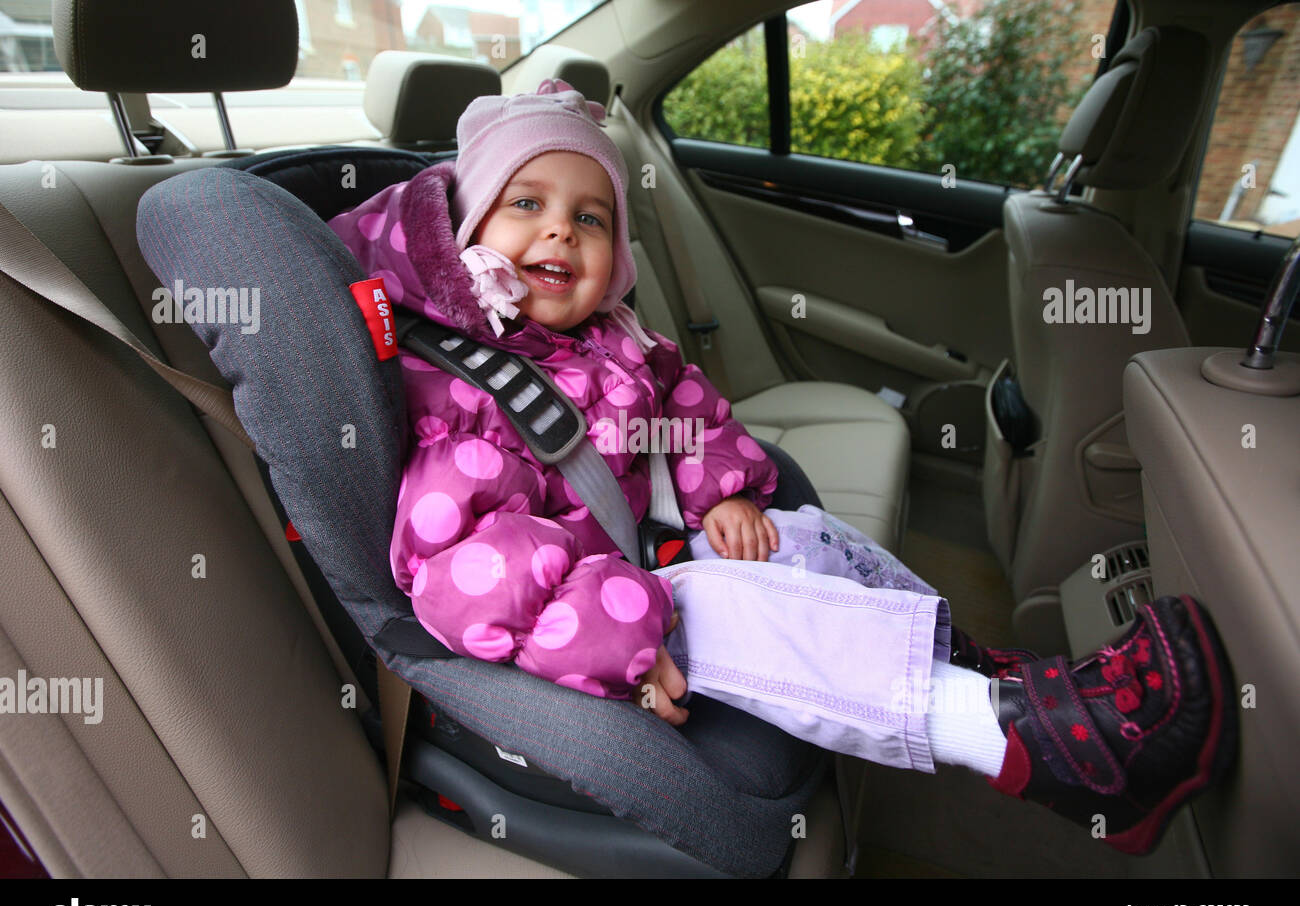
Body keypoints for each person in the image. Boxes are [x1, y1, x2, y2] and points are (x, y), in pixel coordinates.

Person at [326, 79, 1237, 855]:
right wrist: (620, 640)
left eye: (589, 218)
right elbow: (465, 573)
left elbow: (684, 412)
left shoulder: (616, 343)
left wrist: (717, 491)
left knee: (801, 539)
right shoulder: (460, 394)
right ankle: (1033, 746)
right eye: (526, 205)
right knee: (732, 611)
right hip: (592, 628)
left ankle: (979, 667)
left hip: (649, 555)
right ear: (467, 230)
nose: (559, 234)